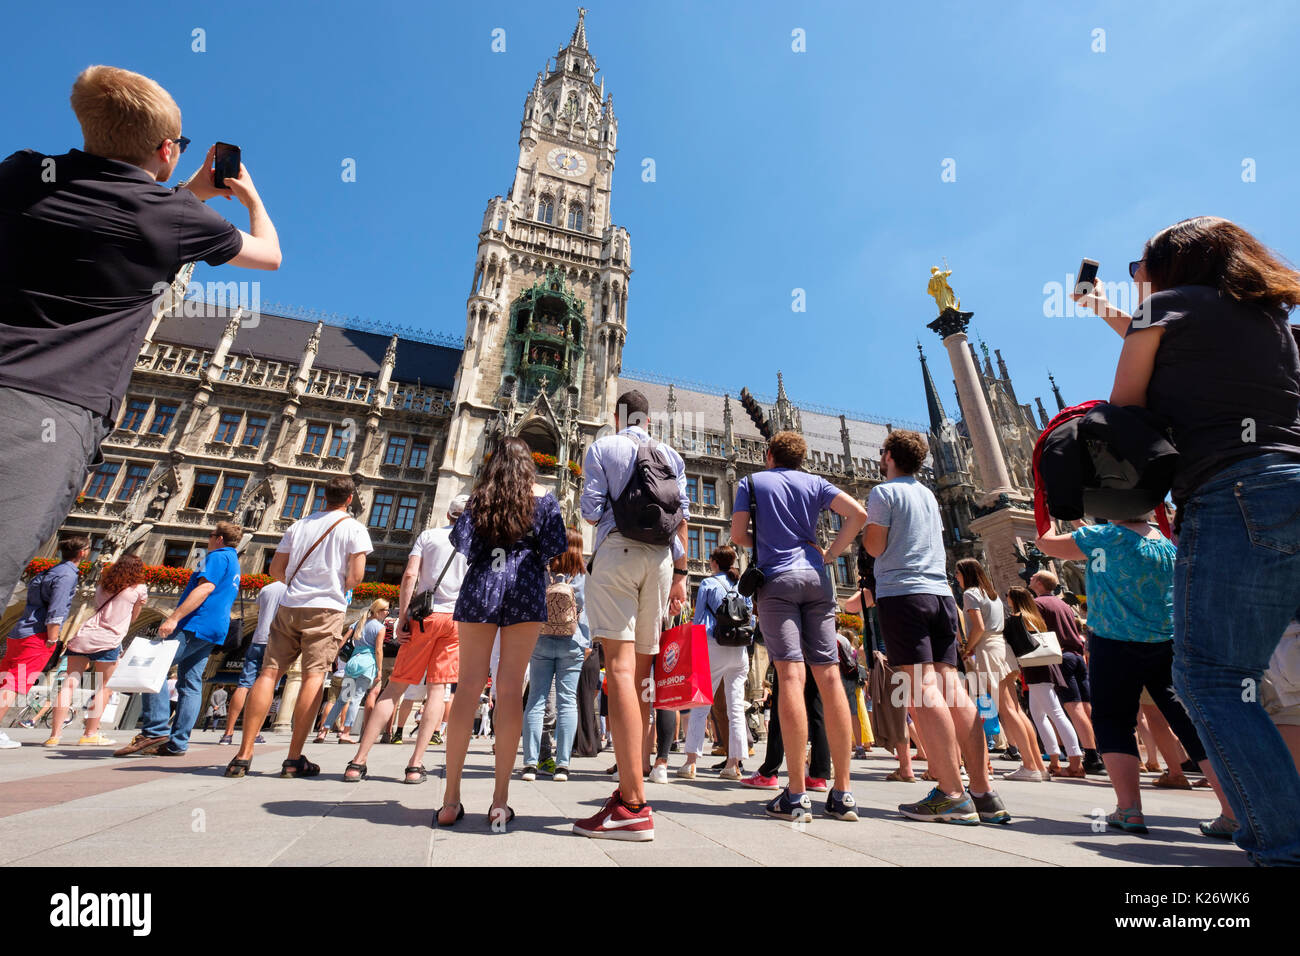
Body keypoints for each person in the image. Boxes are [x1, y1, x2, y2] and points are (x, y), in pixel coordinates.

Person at [0, 65, 281, 605]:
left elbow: (108, 207)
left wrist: (180, 193)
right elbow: (269, 254)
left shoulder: (21, 173)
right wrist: (250, 200)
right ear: (168, 149)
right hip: (51, 408)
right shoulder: (171, 215)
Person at [1074, 216, 1300, 863]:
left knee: (1211, 681)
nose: (1138, 279)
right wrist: (1106, 311)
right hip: (1290, 483)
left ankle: (1283, 845)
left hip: (1233, 496)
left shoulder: (1167, 308)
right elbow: (1184, 352)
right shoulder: (1266, 319)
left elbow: (1125, 408)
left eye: (1141, 267)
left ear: (1169, 268)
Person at [1037, 517, 1232, 835]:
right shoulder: (1165, 542)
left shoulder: (1103, 536)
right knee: (1188, 721)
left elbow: (1045, 543)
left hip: (1114, 641)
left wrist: (1044, 512)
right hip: (1166, 642)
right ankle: (1232, 809)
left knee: (1114, 721)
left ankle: (1129, 810)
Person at [866, 430, 1008, 824]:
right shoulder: (927, 494)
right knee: (953, 689)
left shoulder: (884, 493)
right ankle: (982, 791)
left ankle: (950, 792)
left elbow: (875, 546)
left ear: (890, 456)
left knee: (920, 690)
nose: (880, 458)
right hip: (941, 596)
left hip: (903, 594)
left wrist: (867, 532)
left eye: (881, 453)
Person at [730, 431, 866, 823]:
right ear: (802, 458)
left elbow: (739, 535)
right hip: (817, 578)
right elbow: (857, 513)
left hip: (777, 580)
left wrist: (768, 538)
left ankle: (796, 794)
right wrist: (831, 554)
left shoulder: (752, 482)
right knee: (830, 677)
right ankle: (843, 792)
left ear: (768, 455)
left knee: (791, 676)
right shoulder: (816, 483)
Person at [572, 391, 689, 842]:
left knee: (618, 670)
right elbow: (682, 518)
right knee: (643, 676)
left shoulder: (604, 446)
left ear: (618, 416)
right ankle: (636, 781)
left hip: (617, 553)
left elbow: (588, 510)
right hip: (661, 563)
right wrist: (680, 574)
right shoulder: (669, 453)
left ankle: (632, 803)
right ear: (648, 417)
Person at [435, 438, 567, 828]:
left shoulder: (480, 498)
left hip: (481, 588)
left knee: (467, 687)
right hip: (525, 588)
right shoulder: (544, 498)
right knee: (509, 690)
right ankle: (499, 801)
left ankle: (450, 799)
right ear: (530, 467)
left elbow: (463, 544)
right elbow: (554, 547)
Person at [225, 476, 372, 777]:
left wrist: (298, 586)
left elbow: (275, 569)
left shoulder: (299, 525)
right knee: (313, 677)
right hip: (327, 607)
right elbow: (356, 578)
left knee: (269, 673)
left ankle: (243, 754)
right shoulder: (354, 528)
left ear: (324, 497)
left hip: (290, 606)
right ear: (350, 499)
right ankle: (293, 758)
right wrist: (330, 587)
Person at [342, 495, 468, 784]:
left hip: (424, 617)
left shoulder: (429, 536)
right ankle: (415, 765)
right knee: (438, 691)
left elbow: (410, 575)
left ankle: (358, 762)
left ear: (448, 515)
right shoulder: (477, 546)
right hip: (455, 621)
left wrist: (403, 617)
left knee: (395, 687)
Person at [114, 523, 242, 757]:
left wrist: (174, 617)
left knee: (154, 670)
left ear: (220, 538)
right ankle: (178, 742)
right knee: (191, 683)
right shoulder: (233, 561)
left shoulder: (217, 557)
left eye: (210, 535)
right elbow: (202, 574)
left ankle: (155, 731)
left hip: (196, 623)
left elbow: (205, 588)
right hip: (215, 628)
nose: (208, 538)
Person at [955, 558, 1044, 782]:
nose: (956, 578)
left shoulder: (971, 594)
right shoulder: (992, 595)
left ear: (967, 573)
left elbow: (979, 627)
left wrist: (968, 648)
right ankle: (1038, 764)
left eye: (958, 573)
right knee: (1016, 709)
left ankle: (1030, 766)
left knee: (1007, 710)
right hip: (1004, 650)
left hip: (987, 650)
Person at [0, 535, 89, 750]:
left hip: (20, 632)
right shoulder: (68, 575)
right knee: (14, 683)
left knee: (5, 680)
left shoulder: (49, 571)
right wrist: (52, 639)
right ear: (82, 552)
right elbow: (57, 610)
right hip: (38, 636)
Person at [521, 528, 590, 782]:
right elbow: (590, 610)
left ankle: (529, 763)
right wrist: (588, 642)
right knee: (567, 702)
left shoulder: (543, 570)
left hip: (540, 639)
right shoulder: (583, 575)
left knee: (536, 700)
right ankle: (562, 765)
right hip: (572, 641)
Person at [678, 546, 752, 781]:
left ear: (713, 563)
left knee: (701, 705)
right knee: (736, 708)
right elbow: (749, 614)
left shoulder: (708, 585)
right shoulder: (742, 586)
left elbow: (699, 619)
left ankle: (691, 762)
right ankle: (734, 764)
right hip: (739, 649)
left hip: (713, 644)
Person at [1029, 570, 1103, 774]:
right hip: (1078, 656)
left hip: (1061, 657)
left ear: (1041, 583)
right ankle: (1101, 749)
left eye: (1033, 578)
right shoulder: (1064, 604)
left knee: (1073, 708)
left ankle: (1091, 756)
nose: (1030, 579)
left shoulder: (1039, 604)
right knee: (1087, 707)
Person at [1005, 586, 1084, 776]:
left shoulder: (1020, 618)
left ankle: (1075, 763)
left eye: (1008, 597)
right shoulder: (1033, 616)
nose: (1006, 599)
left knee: (1055, 713)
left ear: (1013, 599)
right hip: (1040, 668)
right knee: (1039, 716)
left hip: (1037, 669)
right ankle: (1054, 760)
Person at [220, 579, 284, 744]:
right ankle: (255, 734)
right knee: (268, 686)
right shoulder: (293, 590)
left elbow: (259, 612)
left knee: (243, 685)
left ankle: (228, 733)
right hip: (277, 643)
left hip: (257, 639)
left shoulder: (266, 589)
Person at [322, 600, 387, 744]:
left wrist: (335, 658)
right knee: (356, 700)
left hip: (352, 663)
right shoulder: (380, 628)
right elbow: (378, 650)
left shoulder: (359, 622)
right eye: (386, 610)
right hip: (367, 664)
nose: (387, 612)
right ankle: (346, 733)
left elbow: (343, 640)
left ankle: (323, 731)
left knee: (341, 699)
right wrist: (380, 670)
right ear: (378, 611)